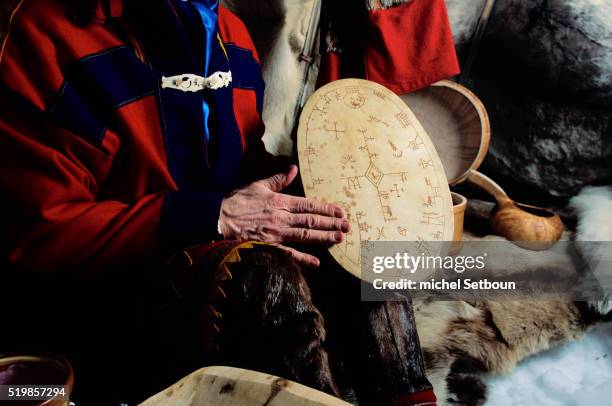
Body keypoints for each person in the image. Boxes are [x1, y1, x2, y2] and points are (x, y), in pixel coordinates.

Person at [0, 1, 436, 405]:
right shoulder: (42, 35)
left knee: (352, 223)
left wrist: (315, 181)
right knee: (263, 277)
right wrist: (213, 217)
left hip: (206, 250)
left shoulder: (231, 31)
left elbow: (243, 161)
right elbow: (43, 235)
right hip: (107, 301)